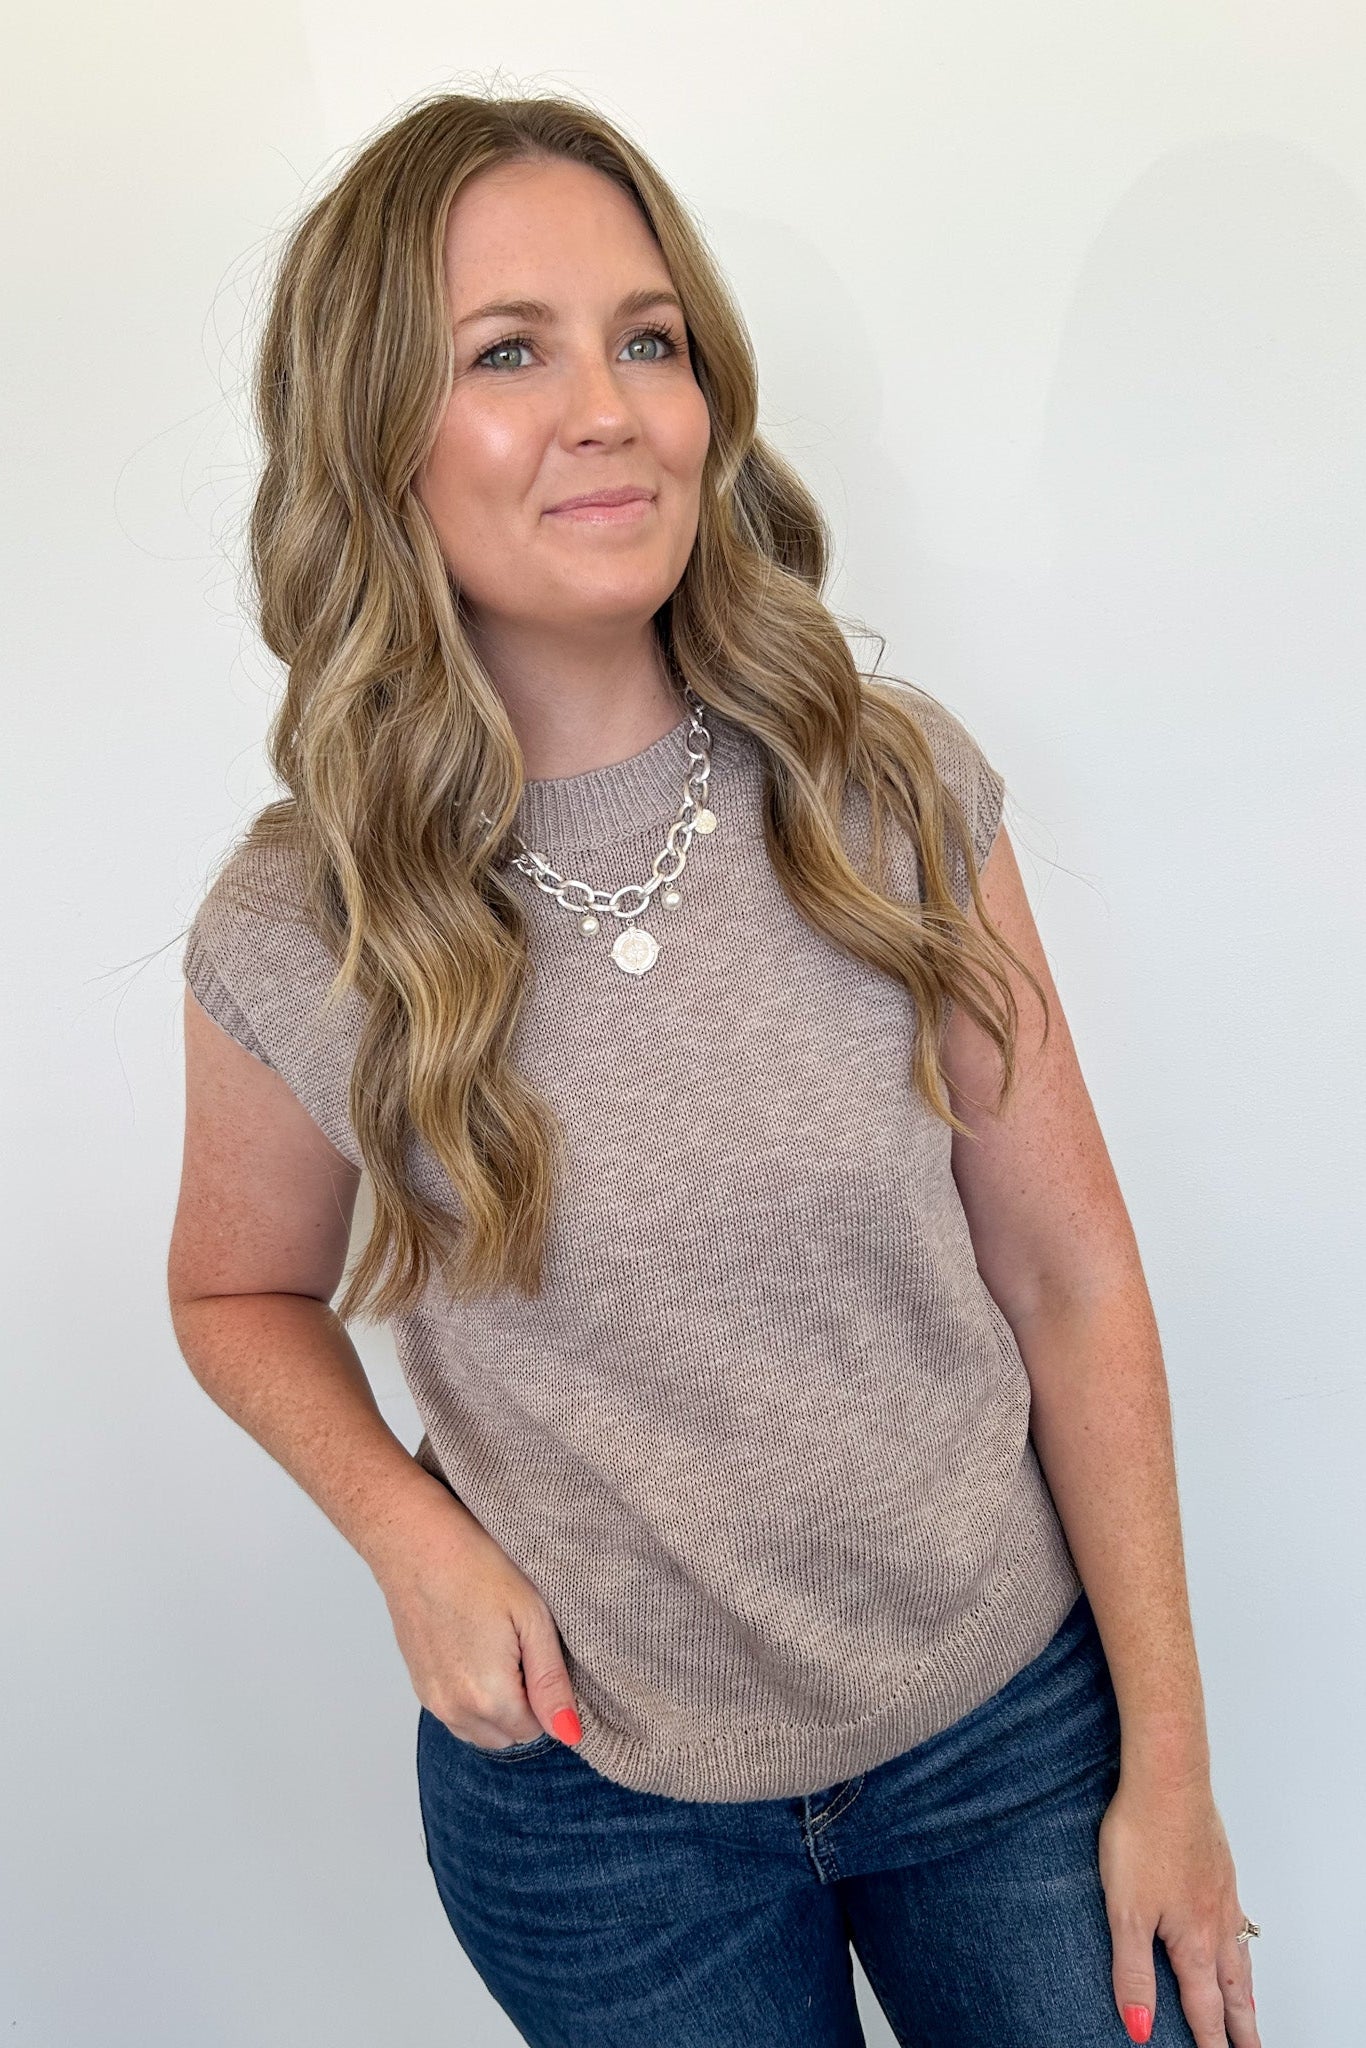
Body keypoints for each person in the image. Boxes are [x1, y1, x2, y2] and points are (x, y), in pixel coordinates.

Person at [167, 88, 1261, 2048]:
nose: (611, 407)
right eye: (509, 352)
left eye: (646, 339)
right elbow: (230, 1287)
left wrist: (1167, 1766)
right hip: (599, 1819)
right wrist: (409, 1537)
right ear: (373, 431)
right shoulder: (295, 923)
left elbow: (1071, 1274)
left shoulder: (879, 789)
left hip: (1006, 1739)